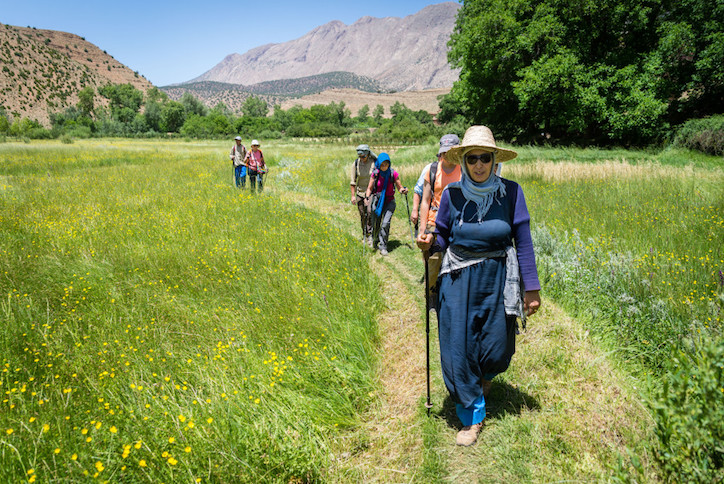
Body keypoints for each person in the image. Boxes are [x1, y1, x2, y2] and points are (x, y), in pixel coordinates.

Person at [416, 125, 541, 446]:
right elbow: (442, 233)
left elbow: (523, 241)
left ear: (495, 159)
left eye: (485, 158)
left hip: (499, 277)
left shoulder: (511, 193)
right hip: (457, 279)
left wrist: (532, 289)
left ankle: (484, 377)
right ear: (465, 161)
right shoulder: (453, 195)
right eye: (472, 159)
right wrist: (430, 240)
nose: (479, 164)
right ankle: (471, 416)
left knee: (498, 349)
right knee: (459, 348)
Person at [419, 134, 462, 293]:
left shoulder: (465, 169)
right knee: (434, 259)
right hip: (434, 221)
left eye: (450, 152)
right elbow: (425, 200)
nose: (446, 156)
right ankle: (430, 292)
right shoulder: (432, 169)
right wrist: (423, 229)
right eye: (444, 152)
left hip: (458, 222)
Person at [365, 153, 408, 256]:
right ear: (379, 164)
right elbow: (370, 188)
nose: (384, 166)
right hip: (377, 201)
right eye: (382, 164)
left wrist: (403, 190)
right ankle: (375, 239)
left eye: (386, 164)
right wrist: (367, 198)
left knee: (385, 224)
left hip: (389, 201)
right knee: (376, 222)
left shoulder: (393, 173)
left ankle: (383, 246)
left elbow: (399, 186)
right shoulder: (375, 174)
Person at [350, 144, 376, 247]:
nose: (361, 158)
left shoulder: (374, 163)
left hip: (371, 193)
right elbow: (353, 182)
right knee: (362, 214)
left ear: (368, 154)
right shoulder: (356, 164)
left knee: (370, 212)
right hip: (360, 192)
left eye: (363, 156)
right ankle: (364, 234)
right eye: (360, 156)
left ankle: (370, 234)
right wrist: (353, 196)